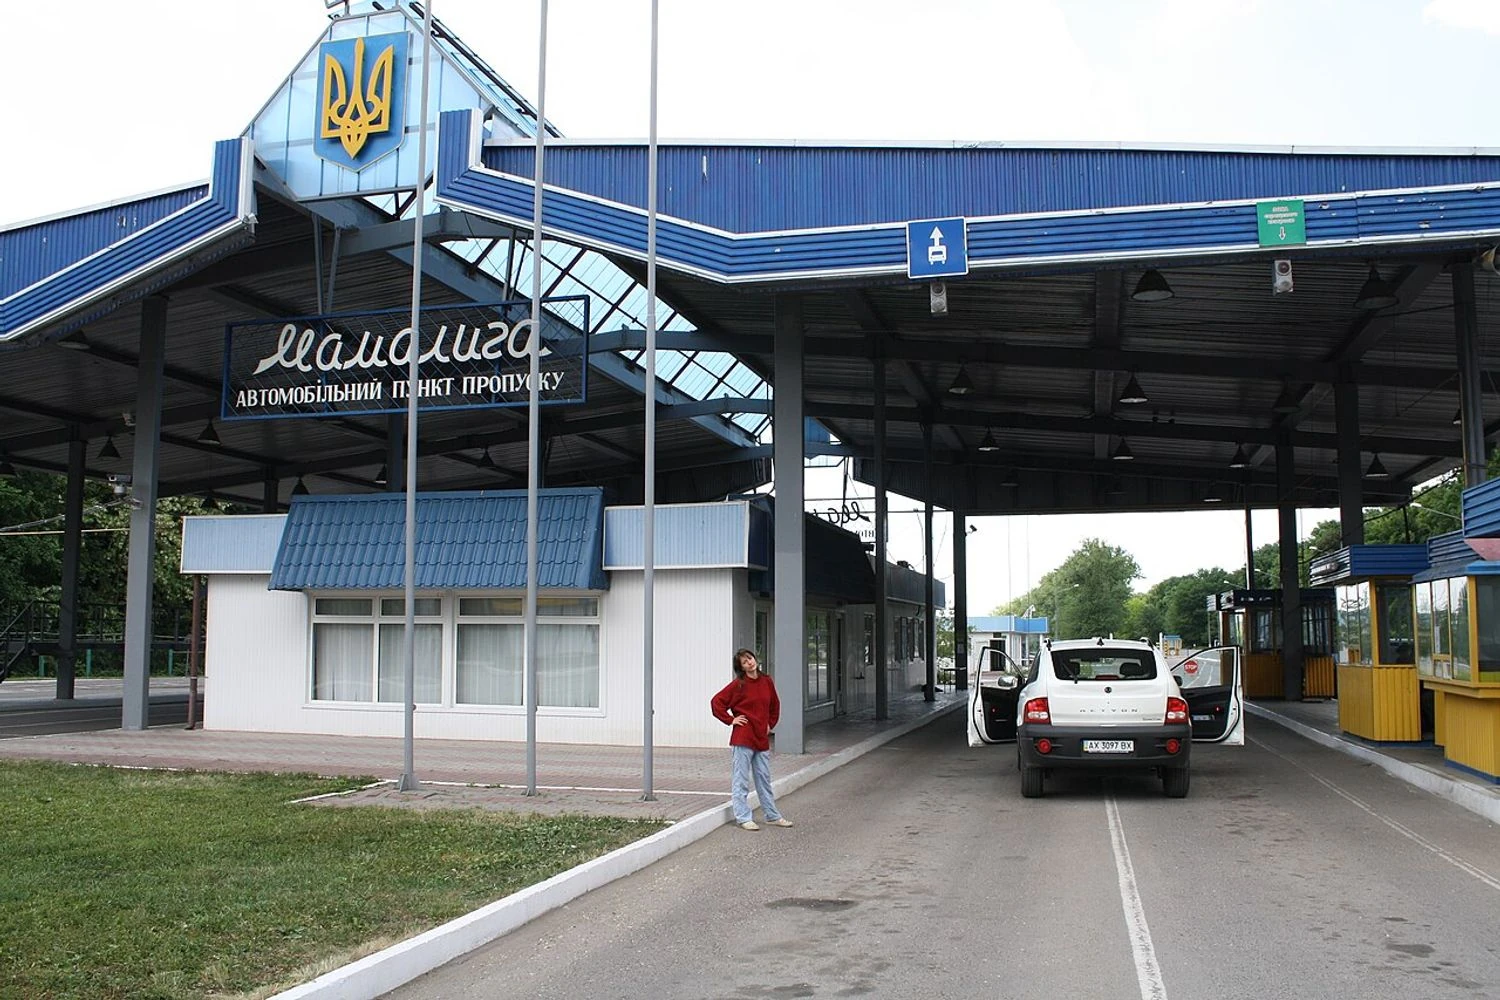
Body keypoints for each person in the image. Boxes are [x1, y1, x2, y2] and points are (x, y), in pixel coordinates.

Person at [710, 648, 793, 831]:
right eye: (744, 662)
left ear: (755, 658)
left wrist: (770, 724)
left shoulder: (766, 681)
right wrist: (731, 720)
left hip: (761, 738)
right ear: (741, 667)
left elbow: (774, 705)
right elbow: (717, 702)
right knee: (741, 779)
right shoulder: (738, 685)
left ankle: (772, 815)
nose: (749, 662)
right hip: (743, 738)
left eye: (750, 658)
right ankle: (743, 817)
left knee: (763, 778)